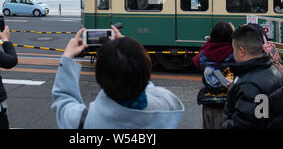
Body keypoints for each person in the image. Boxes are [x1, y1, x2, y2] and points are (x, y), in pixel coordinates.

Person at [51, 26, 185, 129]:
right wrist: (130, 54)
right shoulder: (168, 104)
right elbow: (146, 86)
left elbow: (64, 100)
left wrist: (67, 57)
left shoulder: (84, 121)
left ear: (99, 78)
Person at [222, 25, 283, 129]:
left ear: (242, 51)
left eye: (234, 50)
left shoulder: (248, 85)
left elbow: (240, 125)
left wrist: (226, 121)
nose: (233, 55)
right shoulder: (275, 71)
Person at [193, 21, 235, 129]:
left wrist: (208, 44)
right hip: (231, 101)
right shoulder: (235, 53)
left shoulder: (204, 53)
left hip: (210, 102)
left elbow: (196, 61)